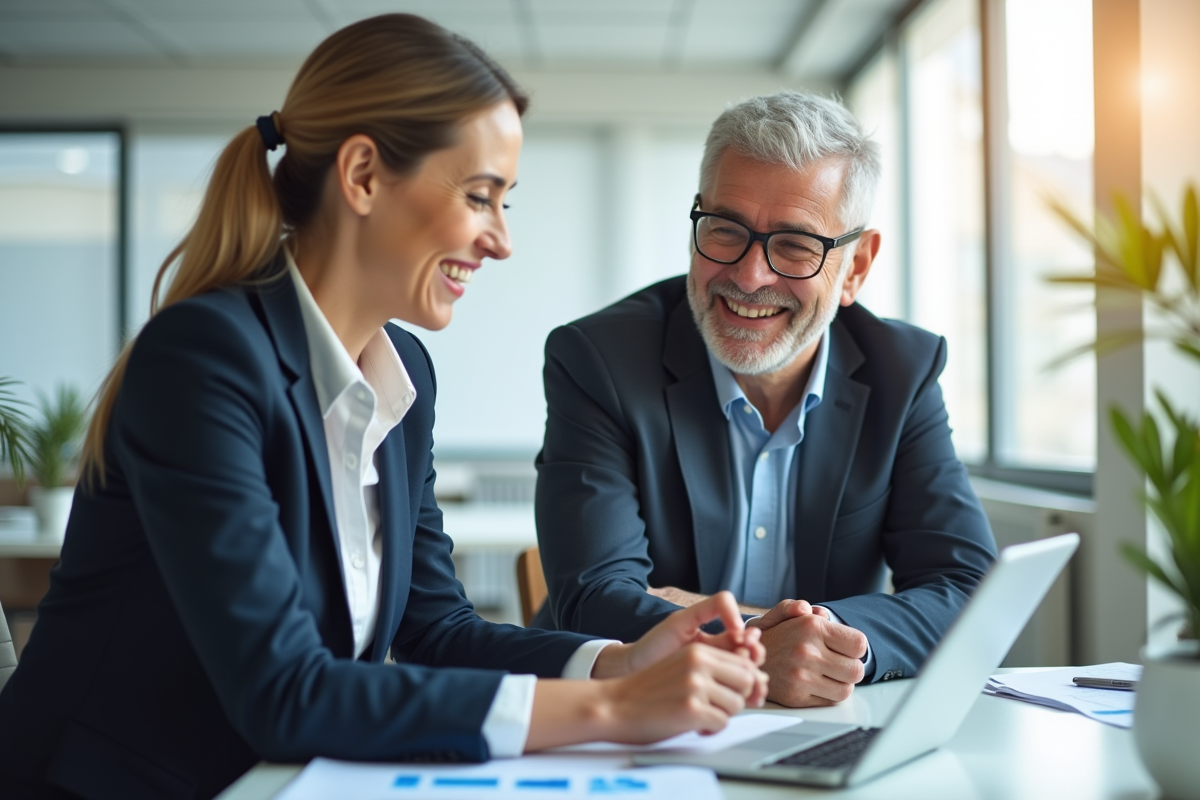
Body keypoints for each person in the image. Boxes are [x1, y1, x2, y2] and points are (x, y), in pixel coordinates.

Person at [0, 15, 769, 800]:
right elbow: (284, 691)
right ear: (363, 174)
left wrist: (617, 662)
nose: (500, 240)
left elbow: (435, 630)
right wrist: (609, 708)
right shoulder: (205, 357)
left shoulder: (405, 376)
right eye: (480, 197)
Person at [532, 90, 998, 709]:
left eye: (795, 246)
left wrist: (811, 644)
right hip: (627, 715)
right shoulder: (599, 359)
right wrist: (761, 641)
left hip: (817, 726)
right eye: (725, 230)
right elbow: (593, 596)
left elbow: (968, 589)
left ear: (856, 265)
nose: (750, 277)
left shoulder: (901, 372)